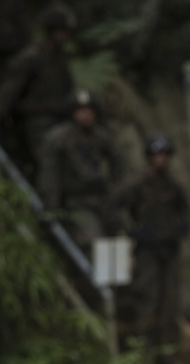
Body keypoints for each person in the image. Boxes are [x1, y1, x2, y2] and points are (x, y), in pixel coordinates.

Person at [109, 135, 190, 364]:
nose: (161, 159)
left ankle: (168, 357)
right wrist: (133, 231)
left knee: (170, 305)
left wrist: (179, 232)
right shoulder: (137, 185)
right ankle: (144, 358)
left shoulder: (173, 186)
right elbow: (113, 205)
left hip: (169, 251)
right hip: (147, 252)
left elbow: (185, 214)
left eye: (165, 155)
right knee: (147, 302)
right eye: (157, 155)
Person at [0, 4, 76, 165]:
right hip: (36, 121)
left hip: (59, 118)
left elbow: (68, 89)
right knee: (48, 162)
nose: (64, 36)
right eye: (61, 31)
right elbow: (8, 90)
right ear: (51, 31)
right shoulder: (31, 58)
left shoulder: (61, 59)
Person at [37, 90, 122, 257]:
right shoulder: (59, 138)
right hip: (75, 202)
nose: (86, 115)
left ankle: (113, 282)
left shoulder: (101, 137)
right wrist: (51, 209)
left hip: (102, 200)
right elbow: (49, 176)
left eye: (90, 111)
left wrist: (117, 195)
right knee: (92, 243)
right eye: (81, 111)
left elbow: (118, 167)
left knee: (118, 241)